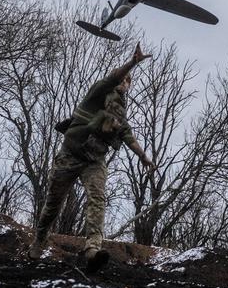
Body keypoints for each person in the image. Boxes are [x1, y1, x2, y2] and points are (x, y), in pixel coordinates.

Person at [28, 43, 156, 272]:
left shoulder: (119, 114)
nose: (124, 83)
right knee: (53, 205)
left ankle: (92, 250)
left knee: (97, 198)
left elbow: (128, 136)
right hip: (70, 154)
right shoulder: (97, 93)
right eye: (122, 79)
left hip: (94, 161)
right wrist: (132, 62)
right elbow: (111, 78)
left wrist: (144, 157)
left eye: (128, 81)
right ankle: (39, 238)